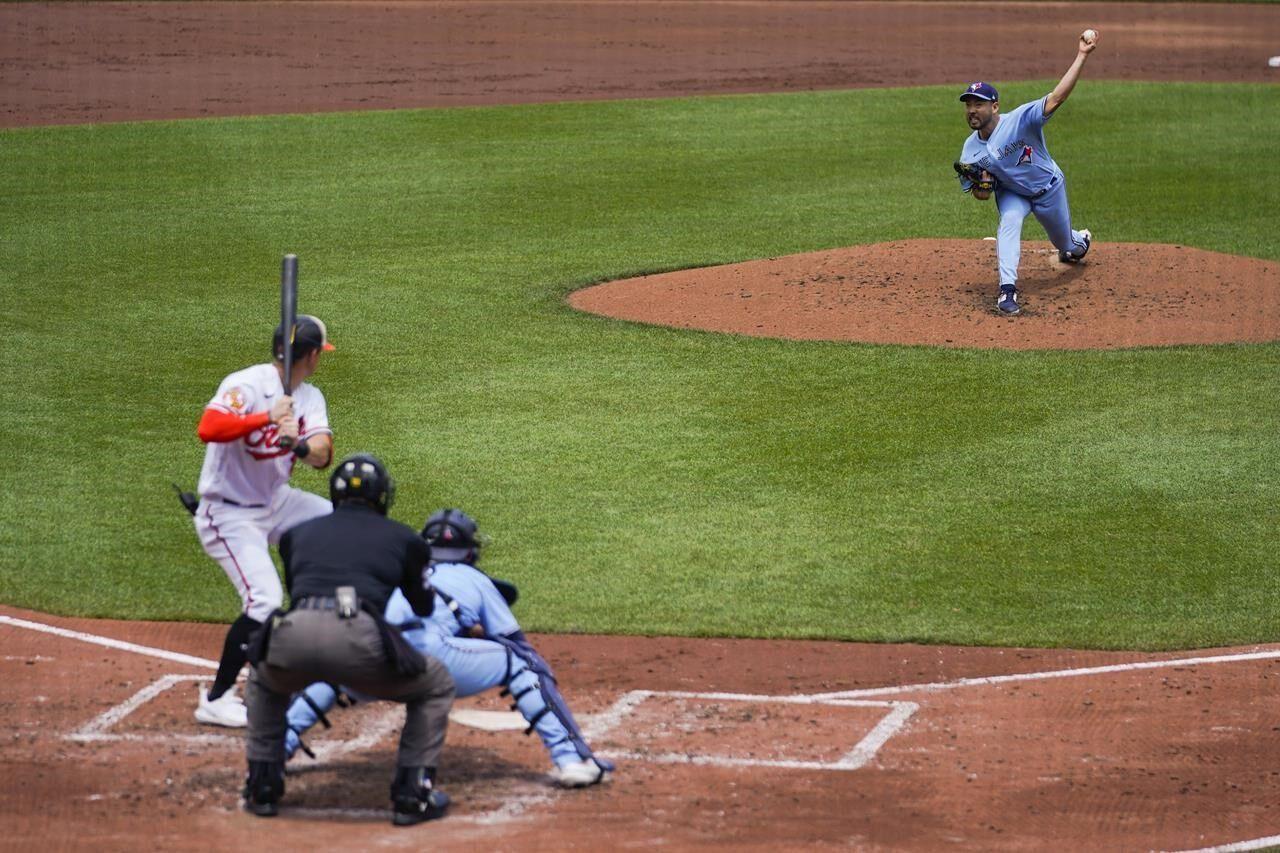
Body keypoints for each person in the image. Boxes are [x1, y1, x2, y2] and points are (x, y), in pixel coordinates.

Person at [281, 508, 614, 788]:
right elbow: (515, 642)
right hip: (432, 664)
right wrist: (474, 637)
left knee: (334, 667)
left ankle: (277, 748)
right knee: (523, 664)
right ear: (470, 551)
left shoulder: (397, 572)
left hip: (374, 661)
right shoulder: (475, 579)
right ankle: (570, 758)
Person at [241, 454, 457, 825]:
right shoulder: (405, 539)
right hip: (358, 638)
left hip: (295, 633)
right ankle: (412, 793)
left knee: (264, 680)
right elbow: (422, 607)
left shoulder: (297, 534)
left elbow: (300, 593)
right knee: (435, 684)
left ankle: (262, 784)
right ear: (382, 497)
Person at [190, 315, 335, 727]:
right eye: (319, 355)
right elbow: (209, 428)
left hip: (277, 501)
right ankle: (216, 699)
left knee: (340, 526)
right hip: (229, 512)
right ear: (309, 354)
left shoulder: (309, 397)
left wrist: (297, 444)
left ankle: (305, 641)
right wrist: (265, 418)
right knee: (263, 599)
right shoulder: (247, 385)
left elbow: (323, 455)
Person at [955, 29, 1099, 316]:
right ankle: (1007, 291)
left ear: (994, 107)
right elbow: (981, 195)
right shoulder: (969, 151)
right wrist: (982, 188)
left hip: (1049, 189)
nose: (972, 110)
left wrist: (1082, 55)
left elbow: (1057, 98)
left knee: (1066, 244)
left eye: (979, 104)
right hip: (1013, 194)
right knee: (1009, 222)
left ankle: (1078, 242)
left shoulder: (1020, 120)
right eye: (969, 105)